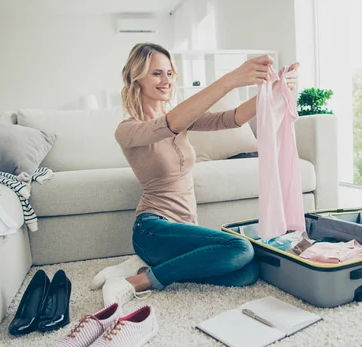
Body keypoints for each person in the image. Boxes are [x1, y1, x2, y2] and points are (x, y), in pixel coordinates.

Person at [98, 42, 300, 306]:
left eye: (169, 73)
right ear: (137, 78)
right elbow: (168, 125)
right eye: (157, 73)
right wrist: (231, 80)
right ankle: (135, 282)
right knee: (240, 248)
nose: (166, 80)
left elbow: (234, 118)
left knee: (246, 273)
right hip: (153, 229)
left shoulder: (181, 118)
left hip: (184, 228)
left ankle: (145, 268)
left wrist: (277, 89)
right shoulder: (128, 130)